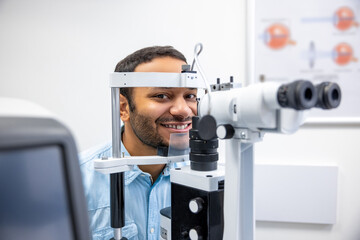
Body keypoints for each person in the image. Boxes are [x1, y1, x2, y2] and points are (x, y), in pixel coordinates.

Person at [79, 46, 197, 240]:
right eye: (162, 96)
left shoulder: (202, 178)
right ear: (123, 107)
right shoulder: (77, 180)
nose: (183, 110)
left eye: (190, 96)